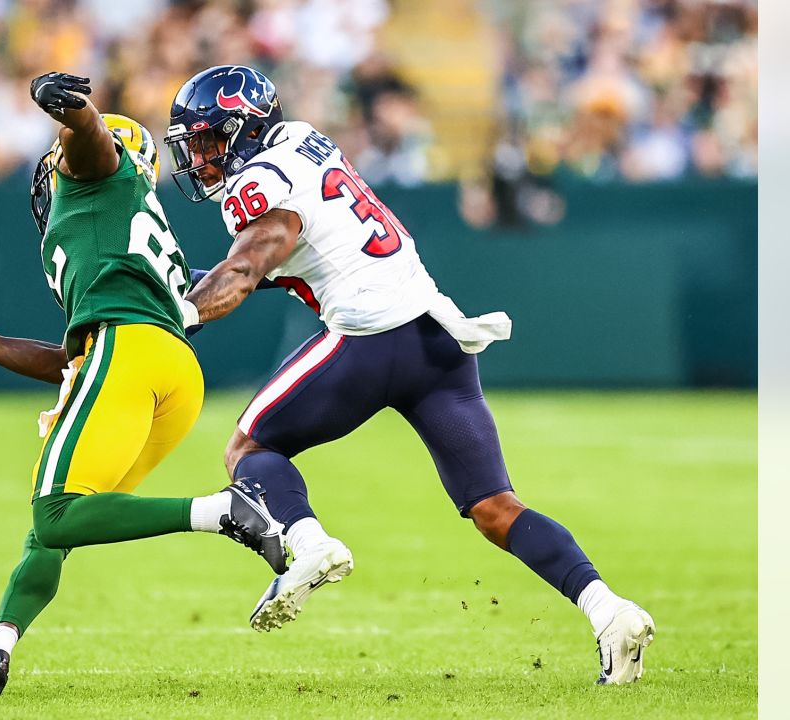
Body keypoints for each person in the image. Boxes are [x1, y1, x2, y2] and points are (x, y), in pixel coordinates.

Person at [163, 65, 655, 685]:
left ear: (244, 130)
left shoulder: (260, 182)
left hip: (372, 338)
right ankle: (608, 612)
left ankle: (310, 545)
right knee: (495, 508)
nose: (200, 159)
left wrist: (177, 314)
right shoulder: (302, 140)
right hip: (438, 338)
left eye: (208, 142)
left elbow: (249, 265)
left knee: (249, 446)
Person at [0, 72, 287, 695]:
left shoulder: (97, 175)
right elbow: (72, 362)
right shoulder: (119, 222)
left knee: (56, 513)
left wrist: (75, 112)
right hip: (165, 368)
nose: (56, 169)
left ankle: (223, 511)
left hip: (128, 352)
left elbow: (92, 142)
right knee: (69, 519)